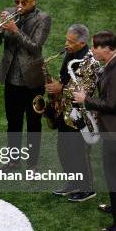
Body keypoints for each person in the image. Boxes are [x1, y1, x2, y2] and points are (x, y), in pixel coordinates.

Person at [74, 31, 116, 231]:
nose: (92, 50)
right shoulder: (114, 63)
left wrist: (86, 100)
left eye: (95, 47)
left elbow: (110, 104)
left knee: (113, 175)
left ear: (107, 49)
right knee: (113, 172)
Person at [0, 0, 51, 171]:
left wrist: (16, 30)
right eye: (17, 1)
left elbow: (35, 46)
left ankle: (32, 164)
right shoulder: (9, 13)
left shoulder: (43, 19)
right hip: (11, 80)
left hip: (32, 81)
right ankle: (13, 161)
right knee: (13, 123)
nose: (19, 6)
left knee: (33, 124)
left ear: (34, 2)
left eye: (24, 2)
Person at [45, 24, 100, 201]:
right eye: (66, 40)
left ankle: (87, 188)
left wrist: (60, 87)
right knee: (63, 149)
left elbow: (84, 91)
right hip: (65, 111)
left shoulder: (91, 62)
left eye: (71, 41)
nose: (66, 44)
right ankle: (73, 182)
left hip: (81, 115)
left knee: (78, 152)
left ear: (82, 43)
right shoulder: (70, 54)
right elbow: (64, 76)